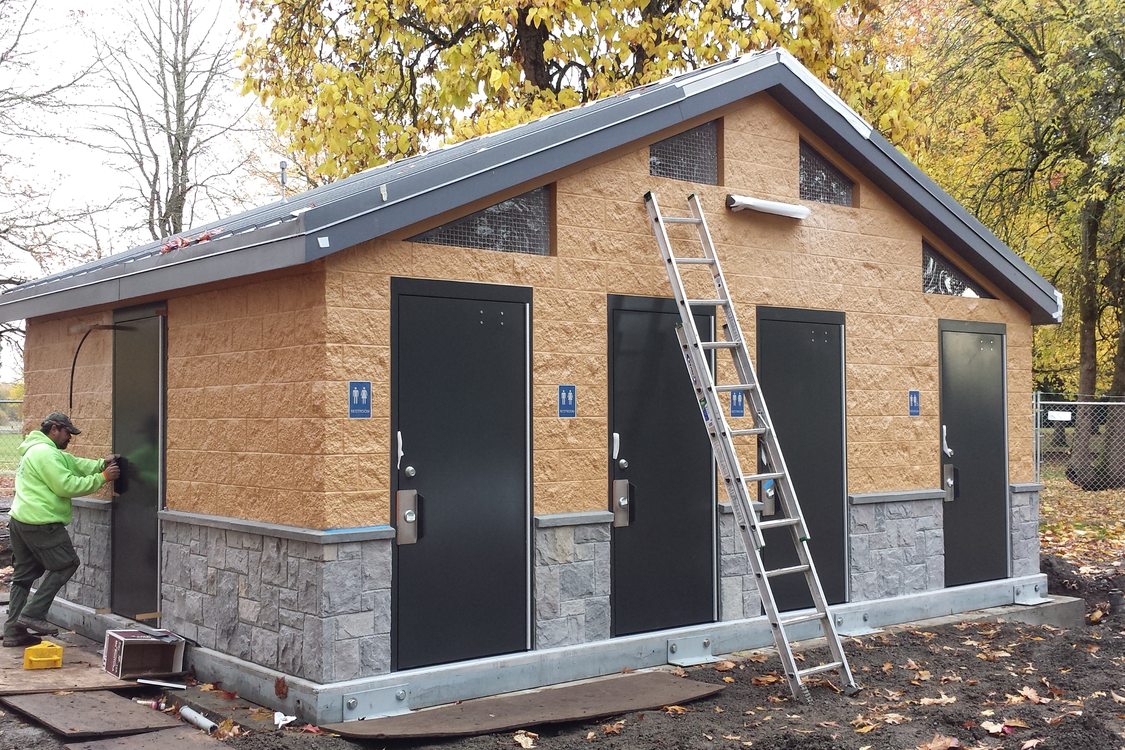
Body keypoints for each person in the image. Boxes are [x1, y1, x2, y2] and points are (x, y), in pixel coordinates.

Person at [3, 412, 120, 647]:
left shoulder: (39, 449)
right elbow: (65, 485)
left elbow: (73, 464)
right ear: (55, 429)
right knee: (67, 563)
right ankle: (33, 613)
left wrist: (100, 464)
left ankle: (13, 631)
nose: (70, 438)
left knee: (24, 576)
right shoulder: (45, 453)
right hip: (40, 523)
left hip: (20, 520)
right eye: (68, 433)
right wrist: (103, 477)